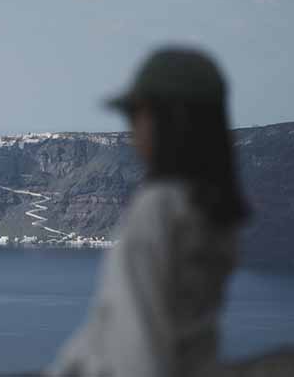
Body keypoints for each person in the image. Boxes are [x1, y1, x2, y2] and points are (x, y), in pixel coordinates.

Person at [45, 47, 251, 377]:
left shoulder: (157, 208)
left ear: (171, 121)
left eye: (136, 114)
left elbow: (137, 342)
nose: (132, 130)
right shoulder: (213, 209)